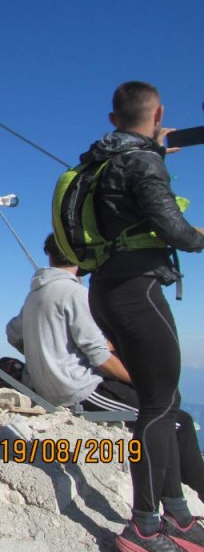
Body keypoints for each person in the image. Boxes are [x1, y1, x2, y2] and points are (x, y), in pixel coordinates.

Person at [77, 81, 204, 552]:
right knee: (158, 405)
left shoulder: (100, 160)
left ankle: (178, 516)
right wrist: (198, 236)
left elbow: (125, 210)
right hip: (138, 291)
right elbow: (172, 225)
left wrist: (156, 153)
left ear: (114, 119)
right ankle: (144, 527)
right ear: (160, 113)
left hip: (107, 287)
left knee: (164, 403)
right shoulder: (141, 160)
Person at [7, 234, 204, 502]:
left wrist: (43, 351)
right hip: (77, 389)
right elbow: (99, 357)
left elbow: (13, 332)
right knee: (175, 419)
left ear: (50, 255)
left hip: (51, 384)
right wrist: (142, 381)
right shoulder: (73, 292)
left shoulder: (36, 293)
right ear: (81, 256)